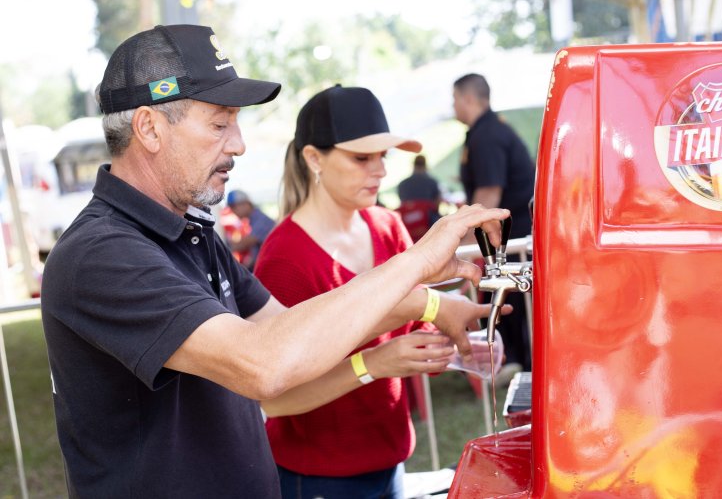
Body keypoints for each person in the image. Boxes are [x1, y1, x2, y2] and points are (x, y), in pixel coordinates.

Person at [40, 25, 510, 498]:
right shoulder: (100, 254)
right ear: (148, 128)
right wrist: (417, 262)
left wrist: (427, 305)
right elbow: (264, 363)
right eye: (219, 124)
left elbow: (294, 335)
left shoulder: (192, 230)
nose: (239, 143)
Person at [253, 85, 504, 499]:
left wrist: (458, 351)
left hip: (390, 461)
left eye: (383, 156)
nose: (381, 171)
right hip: (319, 477)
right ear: (314, 158)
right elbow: (277, 399)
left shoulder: (386, 226)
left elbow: (402, 339)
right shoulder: (285, 257)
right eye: (361, 158)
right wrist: (373, 364)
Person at [453, 73, 535, 379]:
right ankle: (512, 365)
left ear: (468, 99)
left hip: (512, 236)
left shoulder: (487, 135)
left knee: (514, 307)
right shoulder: (484, 131)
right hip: (506, 236)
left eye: (455, 99)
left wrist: (457, 241)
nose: (453, 106)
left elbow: (488, 194)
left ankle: (519, 369)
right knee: (508, 307)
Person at [220, 189, 275, 269]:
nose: (232, 211)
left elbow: (242, 244)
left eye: (234, 206)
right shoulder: (253, 220)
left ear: (246, 204)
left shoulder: (261, 220)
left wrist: (219, 247)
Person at [396, 154, 442, 240]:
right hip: (428, 224)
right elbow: (437, 204)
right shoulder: (432, 182)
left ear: (413, 165)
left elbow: (402, 204)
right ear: (425, 166)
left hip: (407, 225)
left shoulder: (402, 184)